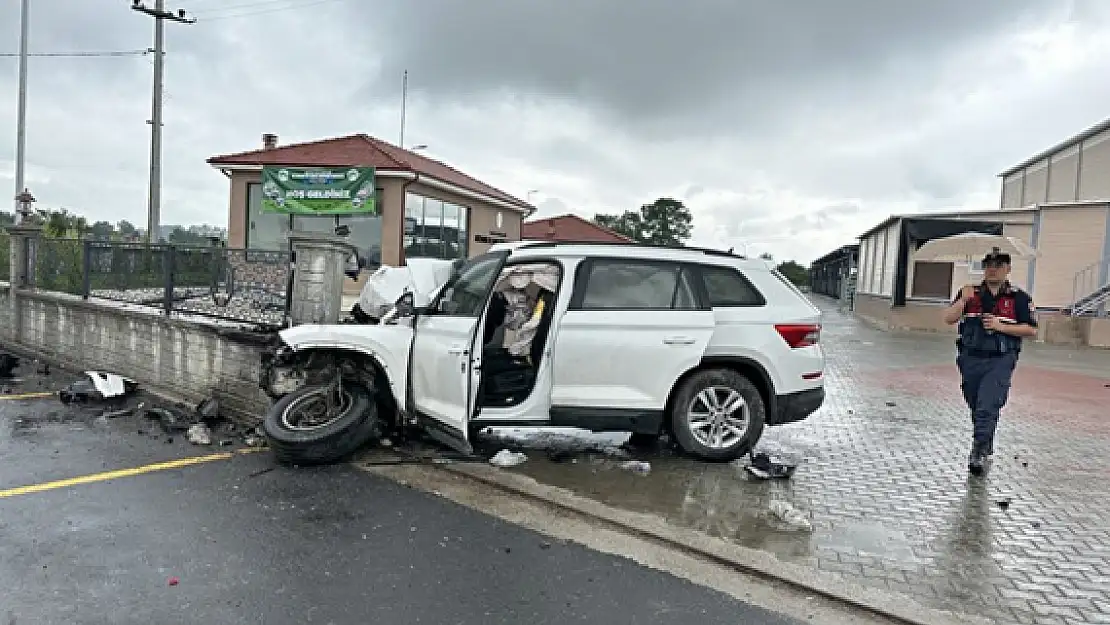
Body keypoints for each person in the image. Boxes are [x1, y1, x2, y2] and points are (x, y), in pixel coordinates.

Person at [942, 250, 1038, 476]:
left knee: (988, 403)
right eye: (988, 265)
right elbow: (948, 318)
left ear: (1008, 269)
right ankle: (986, 441)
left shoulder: (1019, 298)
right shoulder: (970, 293)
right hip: (971, 358)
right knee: (976, 403)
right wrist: (963, 300)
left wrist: (1000, 326)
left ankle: (978, 451)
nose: (993, 268)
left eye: (998, 264)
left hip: (1000, 359)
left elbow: (1031, 329)